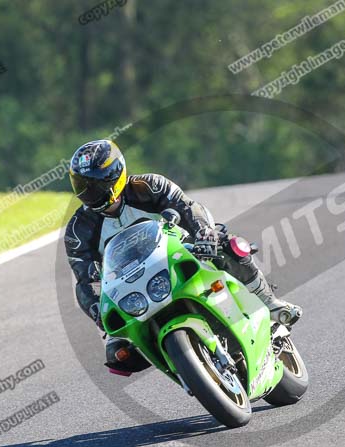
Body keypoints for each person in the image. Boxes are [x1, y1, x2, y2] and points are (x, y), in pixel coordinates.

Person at [64, 139, 302, 376]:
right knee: (117, 353)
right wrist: (99, 313)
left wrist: (203, 233)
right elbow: (86, 278)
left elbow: (187, 207)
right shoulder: (78, 229)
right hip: (131, 286)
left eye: (93, 184)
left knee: (227, 246)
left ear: (114, 174)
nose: (87, 192)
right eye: (81, 185)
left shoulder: (149, 186)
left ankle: (269, 302)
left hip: (180, 251)